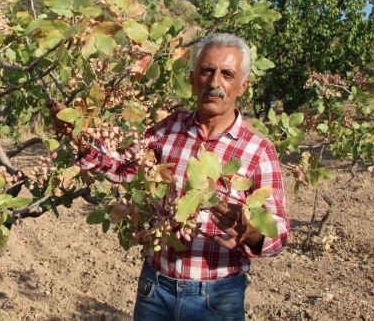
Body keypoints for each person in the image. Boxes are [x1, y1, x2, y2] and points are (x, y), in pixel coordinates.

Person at [52, 33, 290, 321]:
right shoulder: (168, 129)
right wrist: (80, 139)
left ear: (243, 86)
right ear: (192, 79)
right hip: (156, 288)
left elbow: (279, 232)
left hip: (218, 298)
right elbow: (124, 167)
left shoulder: (259, 150)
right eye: (207, 71)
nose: (215, 83)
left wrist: (250, 232)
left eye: (227, 74)